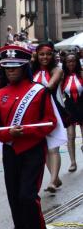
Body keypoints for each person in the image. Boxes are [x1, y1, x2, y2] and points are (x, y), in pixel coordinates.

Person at [0, 45, 65, 229]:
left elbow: (50, 122)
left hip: (32, 148)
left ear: (23, 67)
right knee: (14, 198)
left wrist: (27, 131)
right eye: (7, 68)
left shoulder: (39, 91)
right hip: (10, 150)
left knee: (27, 196)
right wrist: (8, 133)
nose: (10, 71)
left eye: (15, 68)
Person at [32, 41, 65, 193]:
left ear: (53, 55)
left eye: (48, 54)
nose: (45, 57)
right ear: (37, 56)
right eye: (41, 54)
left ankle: (52, 182)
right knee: (44, 148)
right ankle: (55, 177)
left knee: (53, 148)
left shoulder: (56, 70)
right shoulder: (31, 71)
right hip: (35, 113)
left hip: (52, 111)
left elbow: (50, 86)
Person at [61, 53, 83, 172]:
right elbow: (59, 94)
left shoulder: (82, 74)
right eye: (68, 61)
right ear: (65, 63)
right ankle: (73, 162)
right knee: (71, 136)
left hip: (82, 105)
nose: (71, 63)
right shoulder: (62, 76)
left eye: (73, 61)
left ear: (77, 62)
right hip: (69, 108)